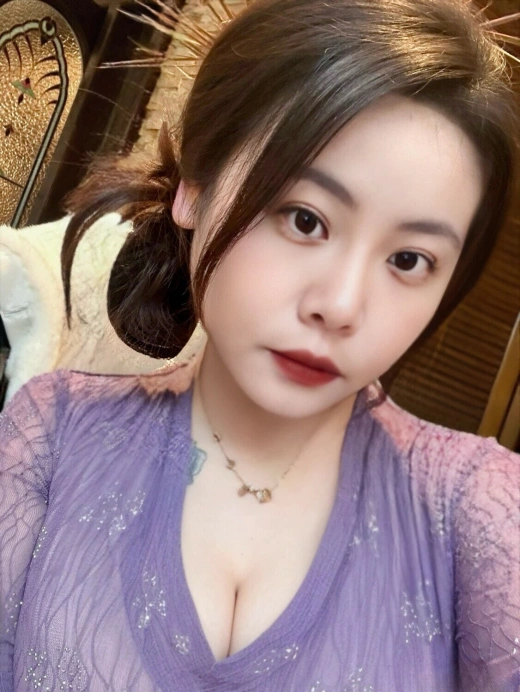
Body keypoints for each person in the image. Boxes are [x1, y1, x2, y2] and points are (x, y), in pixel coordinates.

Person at [1, 0, 519, 689]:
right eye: (304, 219)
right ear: (195, 187)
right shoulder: (52, 436)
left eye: (408, 260)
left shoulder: (480, 510)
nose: (340, 306)